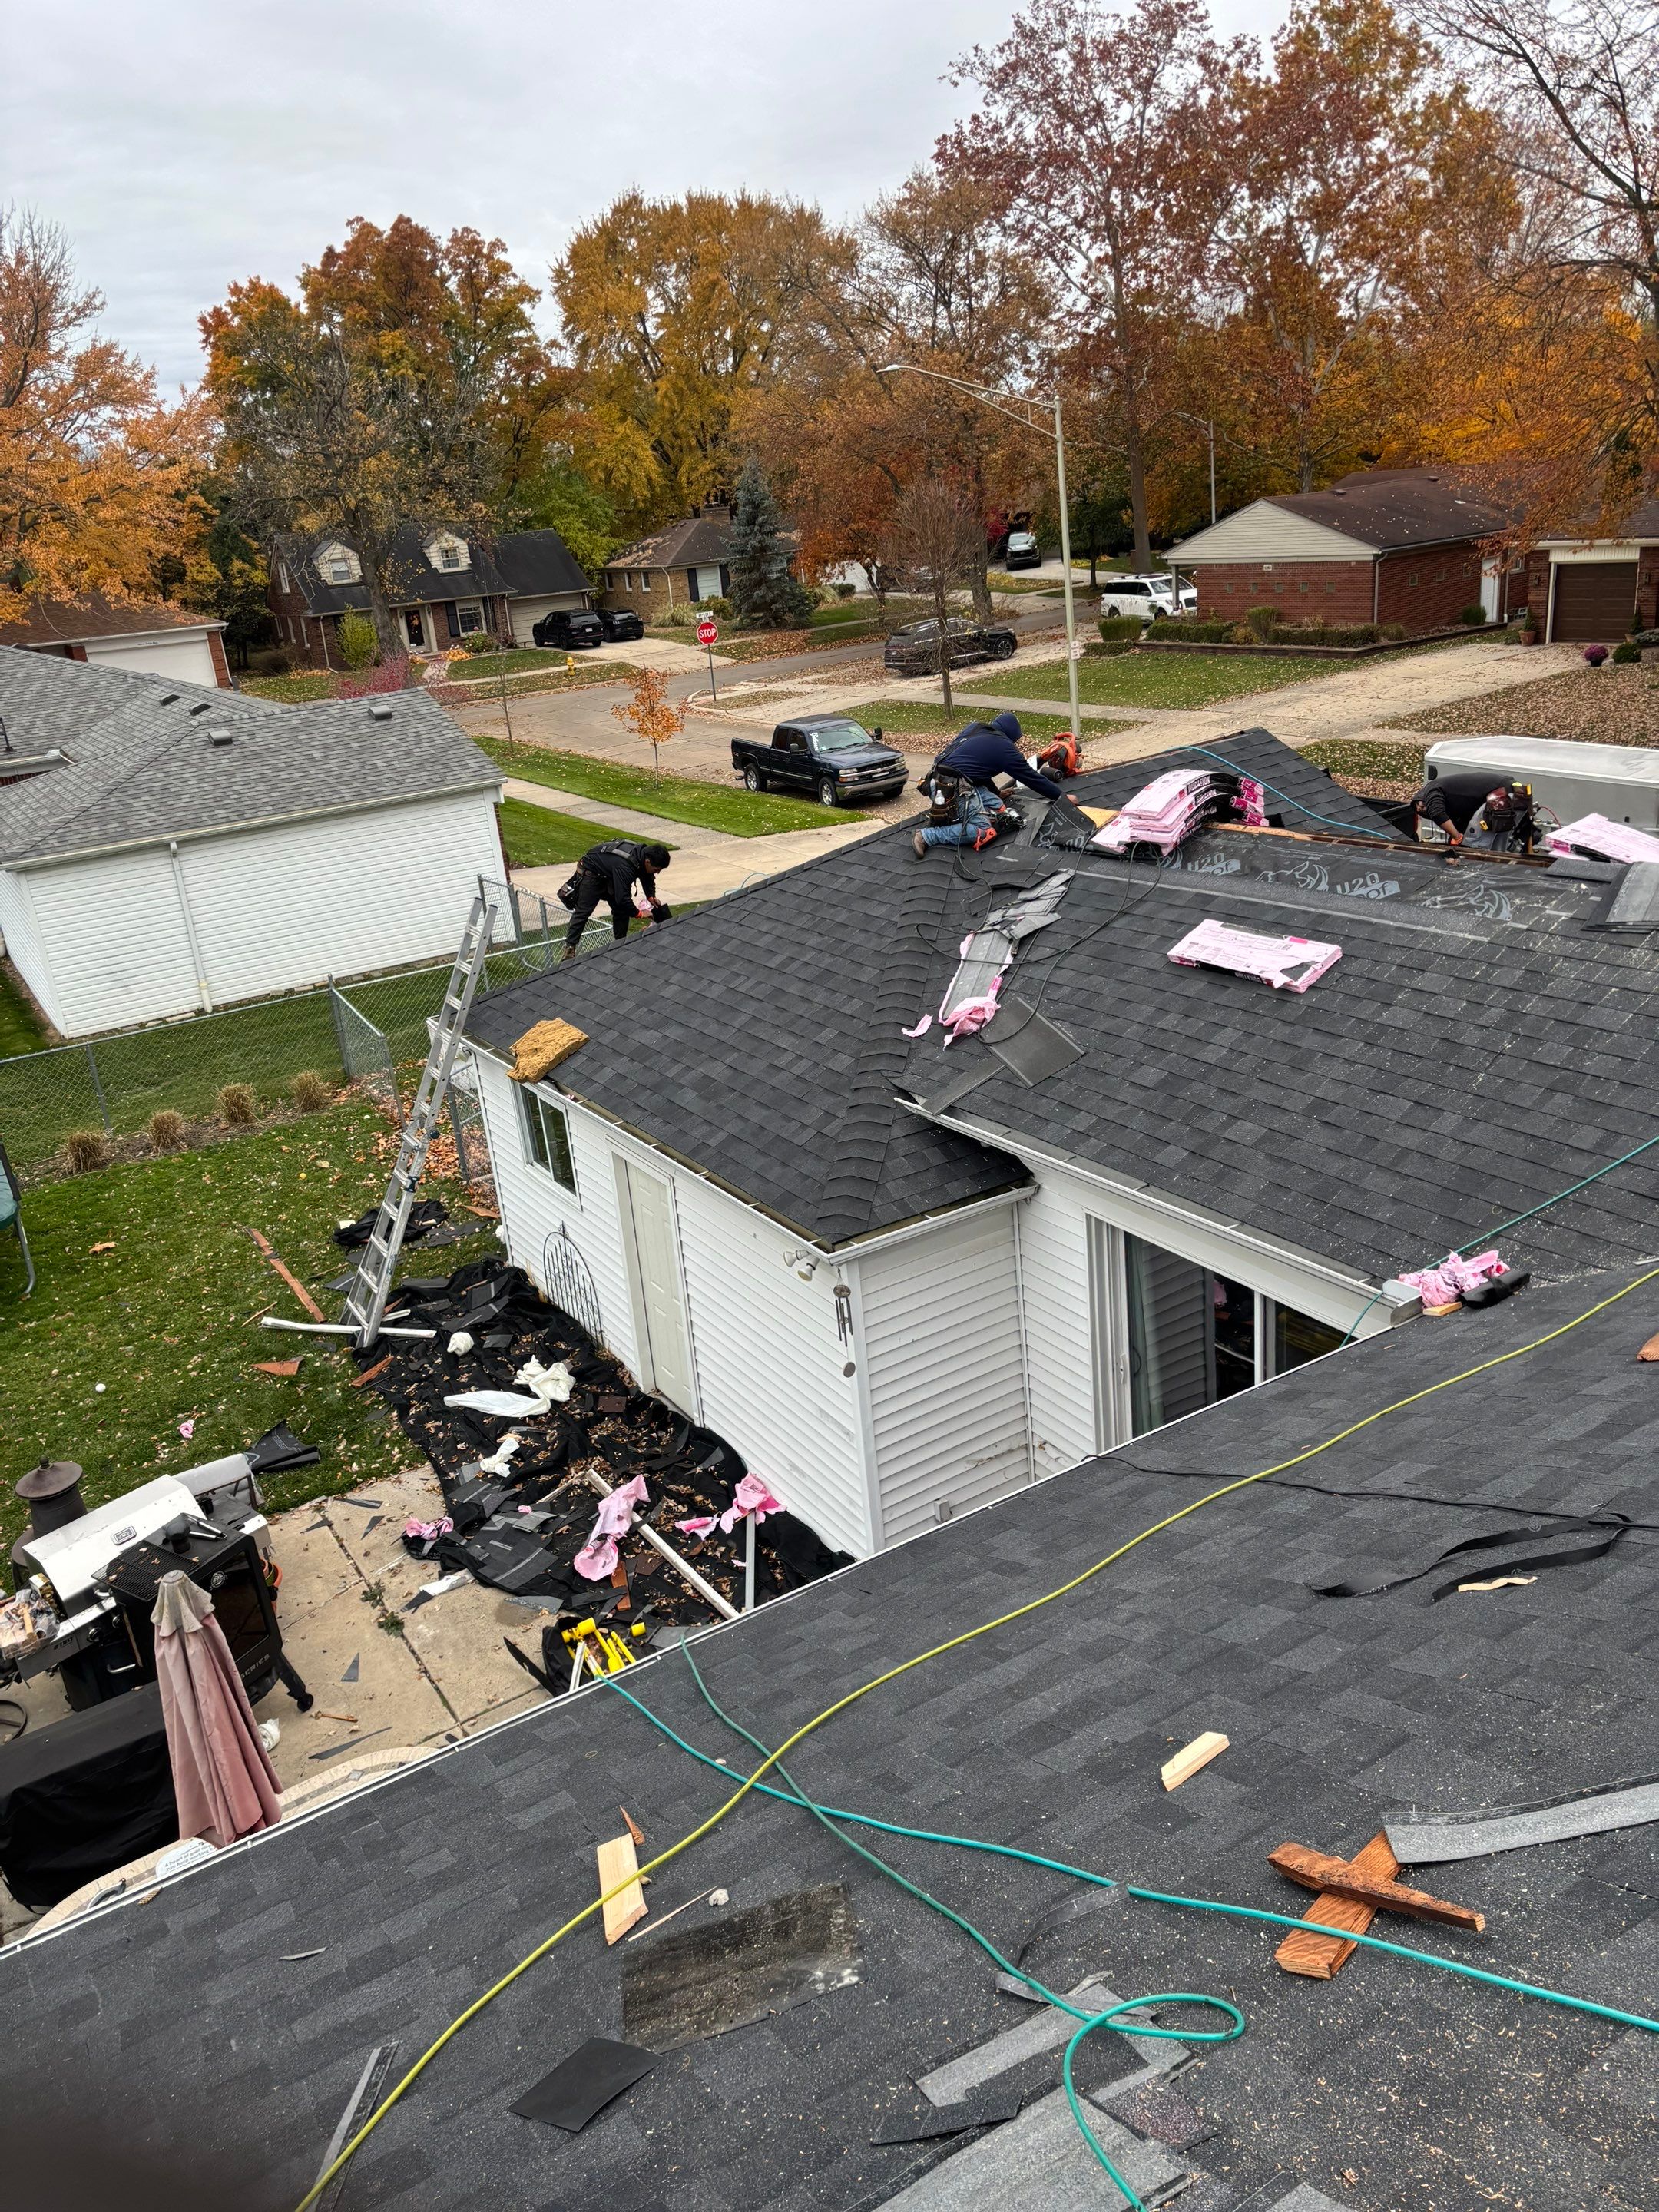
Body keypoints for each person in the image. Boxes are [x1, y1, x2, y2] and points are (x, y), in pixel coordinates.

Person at [561, 839, 671, 959]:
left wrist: (651, 896)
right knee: (583, 911)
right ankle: (570, 948)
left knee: (621, 911)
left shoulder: (643, 855)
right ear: (647, 862)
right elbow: (623, 898)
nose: (658, 873)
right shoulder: (626, 866)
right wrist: (639, 913)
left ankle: (620, 944)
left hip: (610, 874)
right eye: (656, 870)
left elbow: (647, 876)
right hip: (592, 874)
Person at [935, 711, 1065, 801]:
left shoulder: (975, 728)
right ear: (1011, 734)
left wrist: (996, 793)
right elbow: (1030, 777)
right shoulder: (1003, 746)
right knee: (990, 817)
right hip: (955, 787)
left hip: (935, 780)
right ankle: (928, 834)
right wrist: (1061, 797)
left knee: (992, 803)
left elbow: (977, 771)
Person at [1408, 773, 1527, 851]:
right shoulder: (1455, 803)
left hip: (1501, 796)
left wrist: (1457, 837)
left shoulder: (1432, 789)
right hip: (1518, 793)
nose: (1419, 809)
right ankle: (1496, 870)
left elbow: (1437, 814)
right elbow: (1461, 824)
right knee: (1498, 846)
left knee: (1475, 845)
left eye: (1419, 806)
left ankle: (1477, 872)